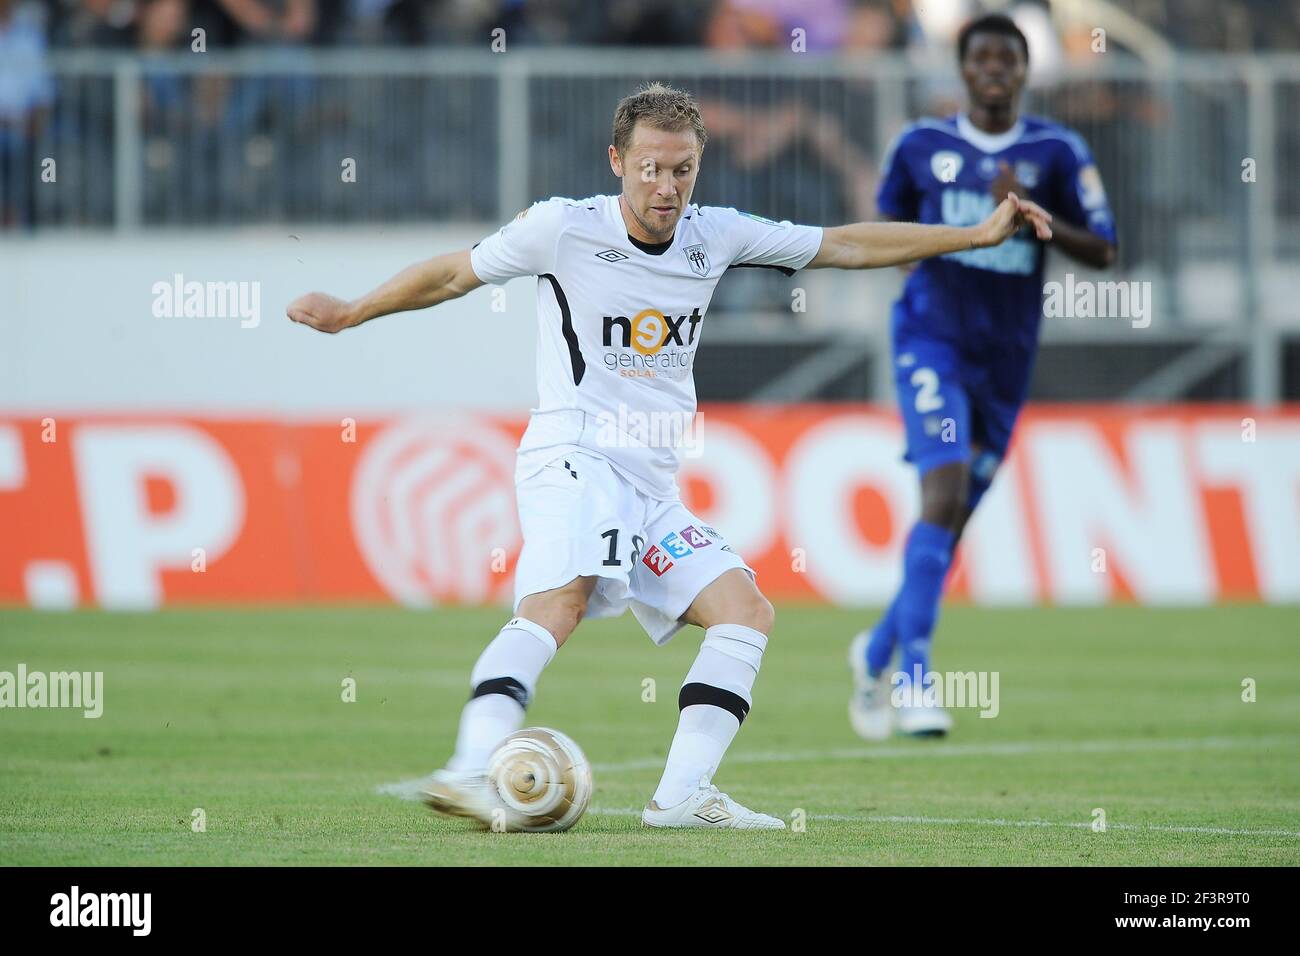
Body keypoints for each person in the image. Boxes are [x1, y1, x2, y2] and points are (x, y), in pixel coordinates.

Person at [287, 82, 1050, 829]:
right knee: (560, 602)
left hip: (651, 485)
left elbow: (845, 244)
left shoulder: (714, 235)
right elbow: (455, 272)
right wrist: (353, 311)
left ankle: (680, 797)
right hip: (574, 455)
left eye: (682, 168)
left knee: (744, 612)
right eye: (650, 166)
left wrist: (974, 237)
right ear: (615, 159)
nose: (666, 185)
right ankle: (467, 764)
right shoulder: (563, 228)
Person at [849, 13, 1116, 740]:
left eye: (1009, 57)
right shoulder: (920, 145)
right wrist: (916, 254)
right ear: (961, 69)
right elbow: (887, 228)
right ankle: (914, 681)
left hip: (1006, 358)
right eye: (982, 57)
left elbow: (1105, 252)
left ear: (1026, 71)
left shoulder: (1056, 151)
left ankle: (874, 651)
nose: (995, 67)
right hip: (931, 341)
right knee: (943, 490)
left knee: (956, 517)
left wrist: (1040, 215)